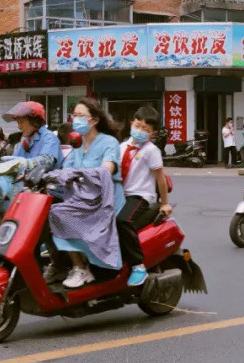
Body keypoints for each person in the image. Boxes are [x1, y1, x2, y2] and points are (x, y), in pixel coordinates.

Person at [50, 98, 124, 289]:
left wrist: (79, 174)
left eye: (81, 116)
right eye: (74, 116)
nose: (76, 120)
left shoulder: (109, 142)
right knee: (52, 211)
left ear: (94, 120)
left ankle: (80, 267)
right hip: (82, 200)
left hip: (104, 200)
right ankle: (65, 263)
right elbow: (65, 171)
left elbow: (107, 168)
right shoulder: (77, 146)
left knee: (60, 214)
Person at [117, 106, 172, 287]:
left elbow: (160, 179)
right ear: (131, 123)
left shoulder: (151, 150)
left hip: (139, 196)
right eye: (138, 126)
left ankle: (137, 266)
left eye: (145, 129)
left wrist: (165, 203)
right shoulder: (122, 147)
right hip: (119, 194)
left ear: (152, 133)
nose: (140, 131)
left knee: (123, 221)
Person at [0, 101, 63, 223]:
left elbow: (47, 160)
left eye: (21, 122)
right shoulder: (26, 142)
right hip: (25, 188)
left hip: (43, 190)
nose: (19, 127)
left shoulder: (49, 138)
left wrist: (23, 163)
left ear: (34, 122)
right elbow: (14, 161)